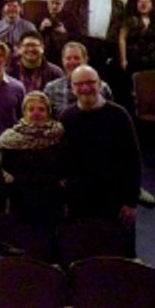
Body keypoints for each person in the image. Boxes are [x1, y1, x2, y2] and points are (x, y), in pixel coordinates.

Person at [60, 65, 141, 251]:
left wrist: (130, 202)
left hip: (114, 198)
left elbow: (133, 160)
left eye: (90, 83)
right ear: (72, 88)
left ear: (100, 84)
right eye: (79, 84)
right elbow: (63, 162)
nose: (85, 88)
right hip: (79, 198)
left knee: (119, 253)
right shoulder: (66, 117)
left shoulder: (119, 115)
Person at [0, 91, 66, 229]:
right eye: (31, 109)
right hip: (21, 202)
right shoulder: (10, 140)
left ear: (48, 112)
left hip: (52, 202)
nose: (36, 113)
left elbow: (65, 167)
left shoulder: (59, 136)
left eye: (41, 109)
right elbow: (3, 170)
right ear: (24, 112)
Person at [118, 0, 155, 108]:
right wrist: (123, 59)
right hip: (132, 60)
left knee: (149, 89)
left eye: (146, 2)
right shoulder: (129, 21)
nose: (143, 4)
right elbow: (122, 39)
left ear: (152, 5)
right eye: (141, 1)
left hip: (151, 60)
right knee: (132, 89)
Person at [70, 0, 124, 77]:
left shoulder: (117, 3)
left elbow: (119, 24)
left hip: (105, 45)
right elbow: (73, 18)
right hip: (85, 42)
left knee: (102, 75)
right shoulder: (81, 0)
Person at [43, 41, 115, 118]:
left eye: (76, 58)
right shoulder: (51, 89)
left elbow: (111, 115)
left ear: (86, 60)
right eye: (68, 58)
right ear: (63, 61)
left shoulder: (102, 87)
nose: (72, 62)